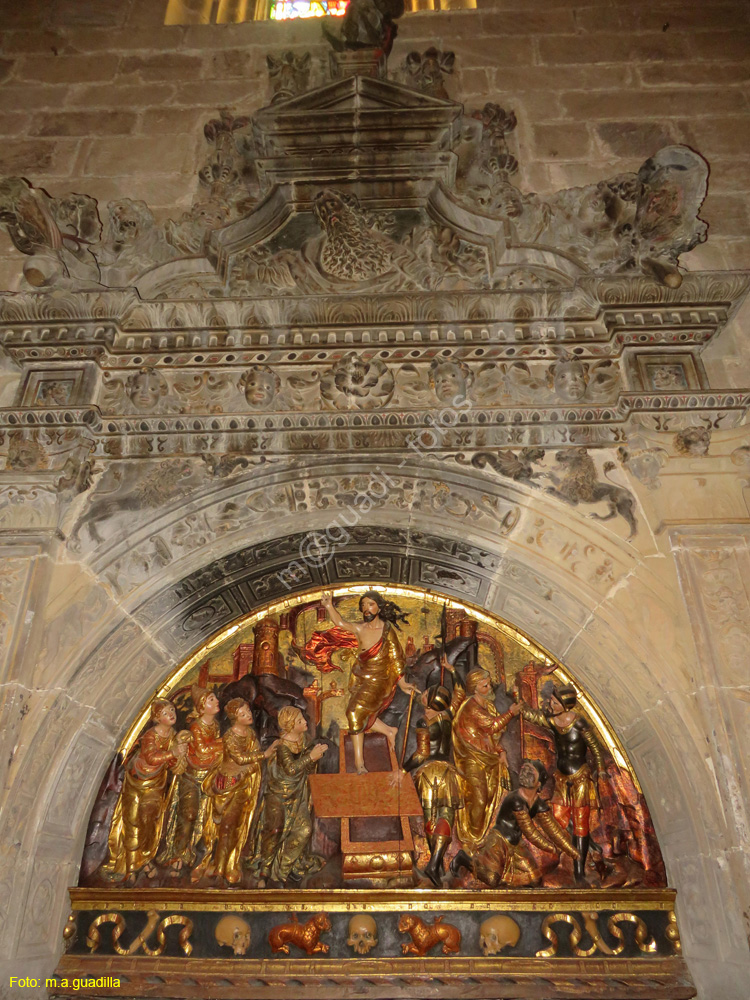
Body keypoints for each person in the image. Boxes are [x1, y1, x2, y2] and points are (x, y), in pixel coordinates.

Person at [316, 590, 418, 774]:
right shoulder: (360, 629)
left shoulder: (387, 631)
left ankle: (359, 764)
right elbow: (340, 623)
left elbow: (396, 658)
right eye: (363, 606)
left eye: (370, 604)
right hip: (362, 677)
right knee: (359, 714)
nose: (366, 609)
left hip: (381, 679)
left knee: (354, 712)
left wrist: (402, 683)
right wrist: (329, 606)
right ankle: (388, 731)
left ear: (378, 607)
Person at [517, 683, 607, 884]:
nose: (551, 703)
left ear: (565, 705)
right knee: (557, 819)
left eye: (555, 702)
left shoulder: (579, 724)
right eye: (552, 700)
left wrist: (600, 769)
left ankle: (579, 871)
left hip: (580, 779)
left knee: (581, 825)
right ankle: (580, 851)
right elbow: (535, 717)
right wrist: (521, 707)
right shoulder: (553, 721)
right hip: (562, 778)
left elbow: (594, 746)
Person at [450, 759, 578, 887]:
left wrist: (573, 852)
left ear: (539, 784)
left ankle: (513, 894)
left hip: (516, 846)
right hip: (499, 842)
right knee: (491, 879)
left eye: (530, 772)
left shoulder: (538, 804)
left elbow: (554, 830)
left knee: (534, 880)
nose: (525, 773)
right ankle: (464, 859)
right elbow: (530, 832)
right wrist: (551, 848)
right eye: (524, 770)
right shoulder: (516, 799)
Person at [104, 698, 188, 886]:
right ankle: (132, 865)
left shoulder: (173, 736)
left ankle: (145, 858)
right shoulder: (150, 735)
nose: (171, 714)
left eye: (172, 710)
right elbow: (150, 757)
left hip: (156, 784)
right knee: (132, 820)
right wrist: (172, 753)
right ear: (157, 718)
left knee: (150, 819)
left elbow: (172, 764)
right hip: (137, 780)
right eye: (165, 713)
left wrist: (179, 756)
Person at [196, 698, 276, 885]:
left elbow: (250, 762)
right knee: (224, 827)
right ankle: (217, 864)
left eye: (248, 711)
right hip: (227, 786)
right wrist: (264, 755)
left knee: (236, 827)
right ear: (234, 718)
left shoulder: (250, 734)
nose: (248, 715)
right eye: (242, 714)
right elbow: (240, 758)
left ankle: (229, 864)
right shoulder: (230, 736)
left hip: (243, 787)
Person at [253, 706, 327, 887]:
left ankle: (284, 870)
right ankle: (265, 870)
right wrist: (311, 757)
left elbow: (307, 769)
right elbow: (291, 768)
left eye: (303, 718)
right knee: (274, 831)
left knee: (304, 830)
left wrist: (314, 757)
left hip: (299, 794)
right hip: (279, 795)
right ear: (290, 725)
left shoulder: (304, 740)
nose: (304, 722)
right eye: (300, 720)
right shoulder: (281, 746)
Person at [404, 676, 463, 887]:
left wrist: (403, 769)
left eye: (428, 693)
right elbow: (459, 694)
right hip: (447, 772)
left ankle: (433, 865)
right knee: (446, 816)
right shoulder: (447, 716)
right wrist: (453, 671)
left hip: (429, 772)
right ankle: (436, 865)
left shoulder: (424, 722)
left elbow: (421, 754)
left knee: (432, 819)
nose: (424, 694)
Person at [452, 667, 519, 850]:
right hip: (472, 759)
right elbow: (491, 726)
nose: (490, 687)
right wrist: (512, 712)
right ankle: (471, 839)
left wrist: (499, 750)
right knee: (479, 799)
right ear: (475, 689)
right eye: (485, 685)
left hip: (487, 757)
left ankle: (483, 835)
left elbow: (486, 736)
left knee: (490, 796)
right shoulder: (472, 707)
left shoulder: (487, 705)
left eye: (489, 683)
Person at [158, 685, 223, 872]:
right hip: (191, 777)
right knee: (188, 814)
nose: (216, 701)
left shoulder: (215, 726)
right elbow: (203, 751)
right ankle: (177, 852)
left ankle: (192, 851)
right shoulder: (196, 726)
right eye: (211, 699)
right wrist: (225, 742)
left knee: (204, 818)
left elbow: (211, 752)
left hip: (208, 777)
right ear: (202, 707)